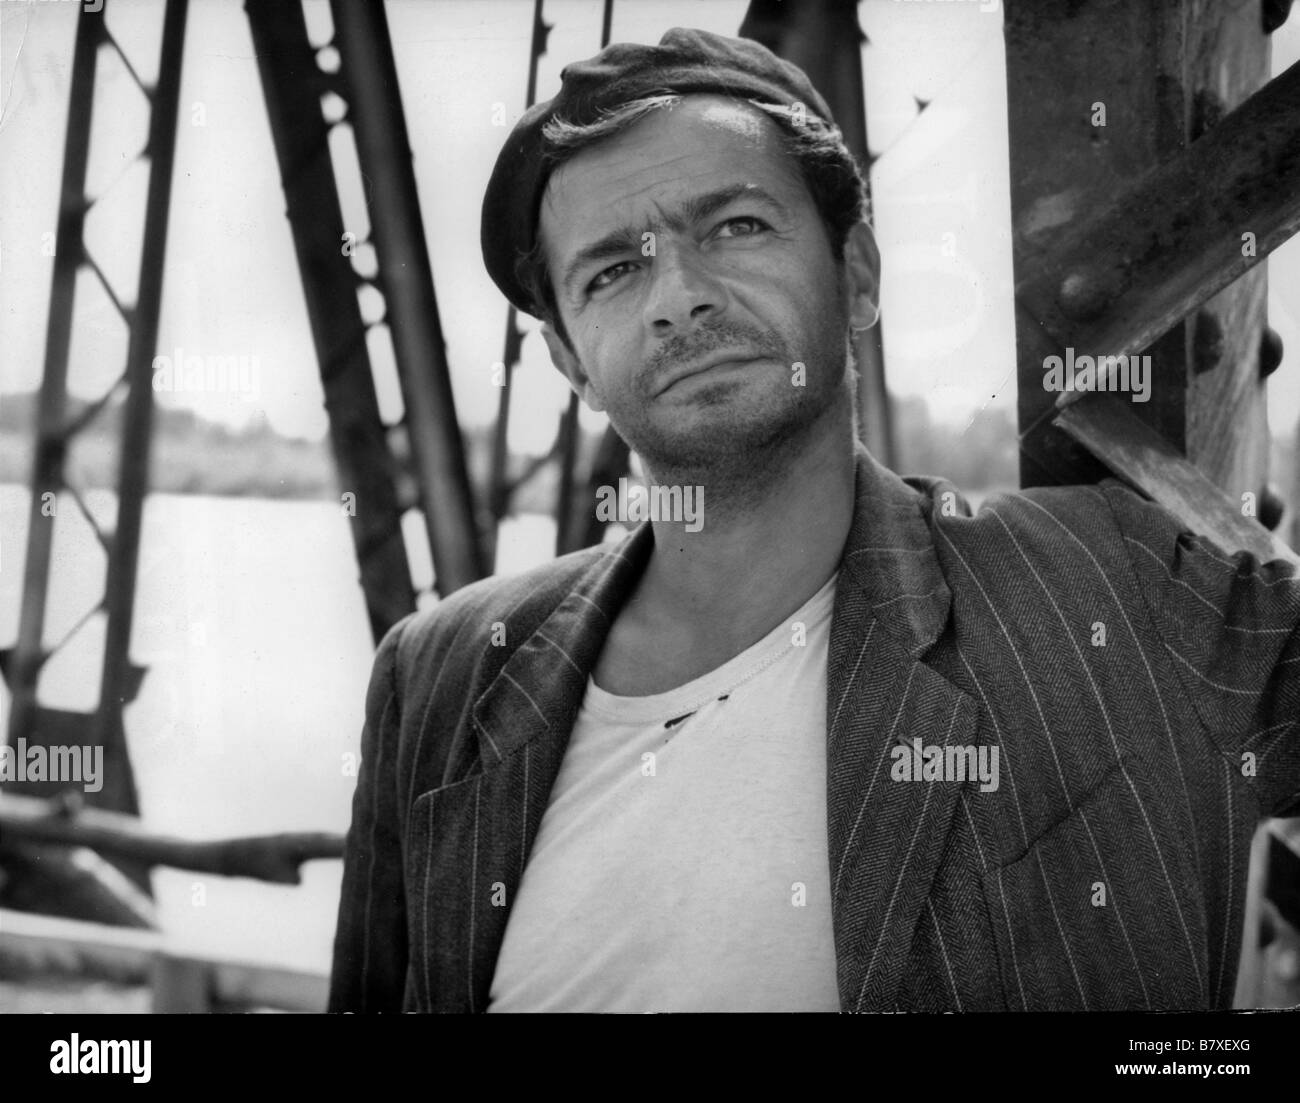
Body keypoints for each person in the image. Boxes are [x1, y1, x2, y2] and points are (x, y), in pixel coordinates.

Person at [328, 27, 1300, 1013]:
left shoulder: (1108, 589)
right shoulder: (441, 672)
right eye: (612, 271)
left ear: (858, 274)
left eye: (736, 226)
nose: (680, 297)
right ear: (571, 361)